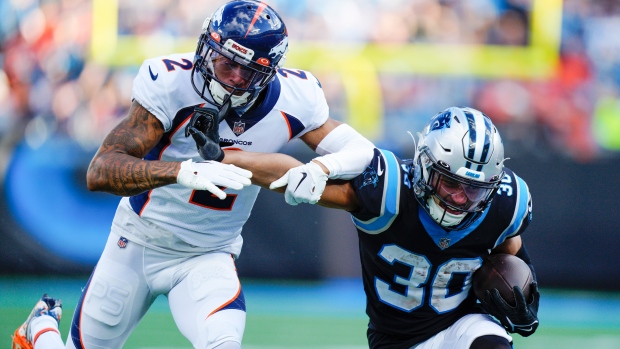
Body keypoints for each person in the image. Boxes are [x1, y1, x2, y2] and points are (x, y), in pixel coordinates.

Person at [11, 1, 375, 348]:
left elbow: (363, 152)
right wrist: (181, 172)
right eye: (223, 61)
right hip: (138, 241)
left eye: (245, 70)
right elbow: (101, 170)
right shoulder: (171, 82)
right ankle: (41, 329)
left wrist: (323, 167)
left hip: (209, 252)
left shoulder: (296, 98)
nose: (231, 76)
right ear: (207, 47)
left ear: (267, 73)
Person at [213, 106, 540, 349]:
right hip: (396, 340)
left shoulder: (506, 204)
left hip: (463, 324)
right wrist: (221, 159)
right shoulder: (389, 189)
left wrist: (523, 296)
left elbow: (512, 254)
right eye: (449, 183)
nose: (459, 198)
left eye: (474, 189)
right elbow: (294, 175)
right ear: (426, 166)